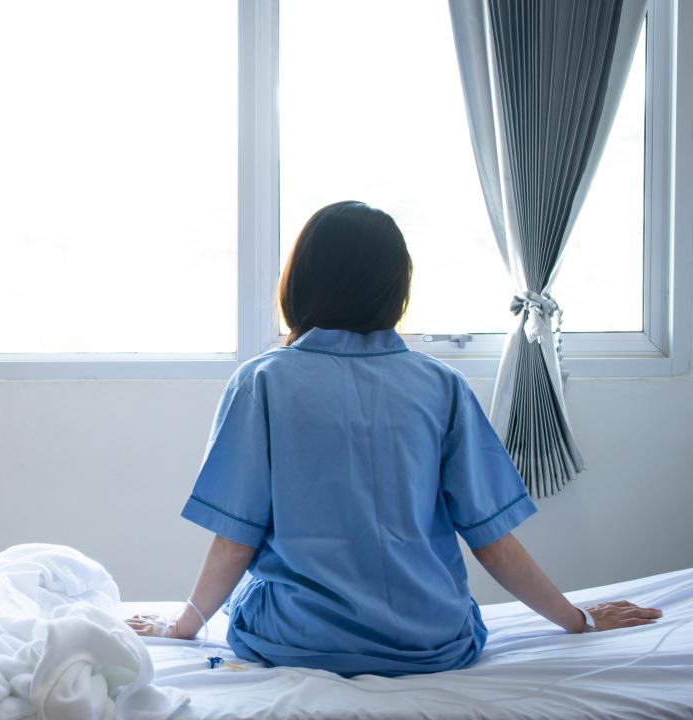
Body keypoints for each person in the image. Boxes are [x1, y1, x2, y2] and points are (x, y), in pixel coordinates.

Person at [126, 201, 661, 676]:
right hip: (432, 642)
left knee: (258, 592)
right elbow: (493, 544)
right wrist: (579, 620)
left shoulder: (263, 380)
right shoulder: (441, 385)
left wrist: (183, 627)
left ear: (301, 282)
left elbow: (235, 540)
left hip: (293, 639)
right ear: (395, 289)